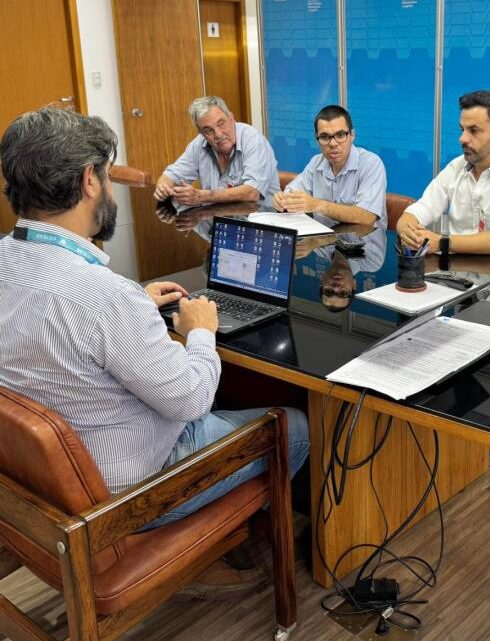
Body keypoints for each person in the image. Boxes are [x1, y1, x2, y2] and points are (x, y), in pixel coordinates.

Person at [0, 108, 309, 595]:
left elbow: (56, 323)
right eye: (105, 174)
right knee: (295, 425)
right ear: (88, 181)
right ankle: (218, 542)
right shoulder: (101, 296)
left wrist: (133, 309)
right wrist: (202, 330)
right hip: (126, 493)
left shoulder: (6, 261)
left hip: (41, 483)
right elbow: (192, 401)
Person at [395, 90, 490, 259]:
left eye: (473, 130)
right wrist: (407, 228)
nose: (462, 138)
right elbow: (421, 209)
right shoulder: (457, 167)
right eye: (462, 129)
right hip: (452, 278)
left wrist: (443, 243)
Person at [153, 96, 279, 210]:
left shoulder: (253, 140)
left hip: (261, 222)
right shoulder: (199, 144)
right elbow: (170, 176)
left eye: (221, 123)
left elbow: (252, 193)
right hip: (220, 219)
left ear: (231, 118)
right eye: (208, 130)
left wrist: (202, 196)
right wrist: (163, 188)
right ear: (201, 133)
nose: (218, 134)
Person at [274, 105, 387, 227]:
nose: (333, 143)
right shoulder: (316, 163)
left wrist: (317, 205)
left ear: (352, 135)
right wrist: (282, 200)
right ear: (317, 139)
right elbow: (291, 194)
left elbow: (367, 217)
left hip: (365, 243)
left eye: (340, 135)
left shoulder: (371, 164)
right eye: (325, 137)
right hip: (323, 242)